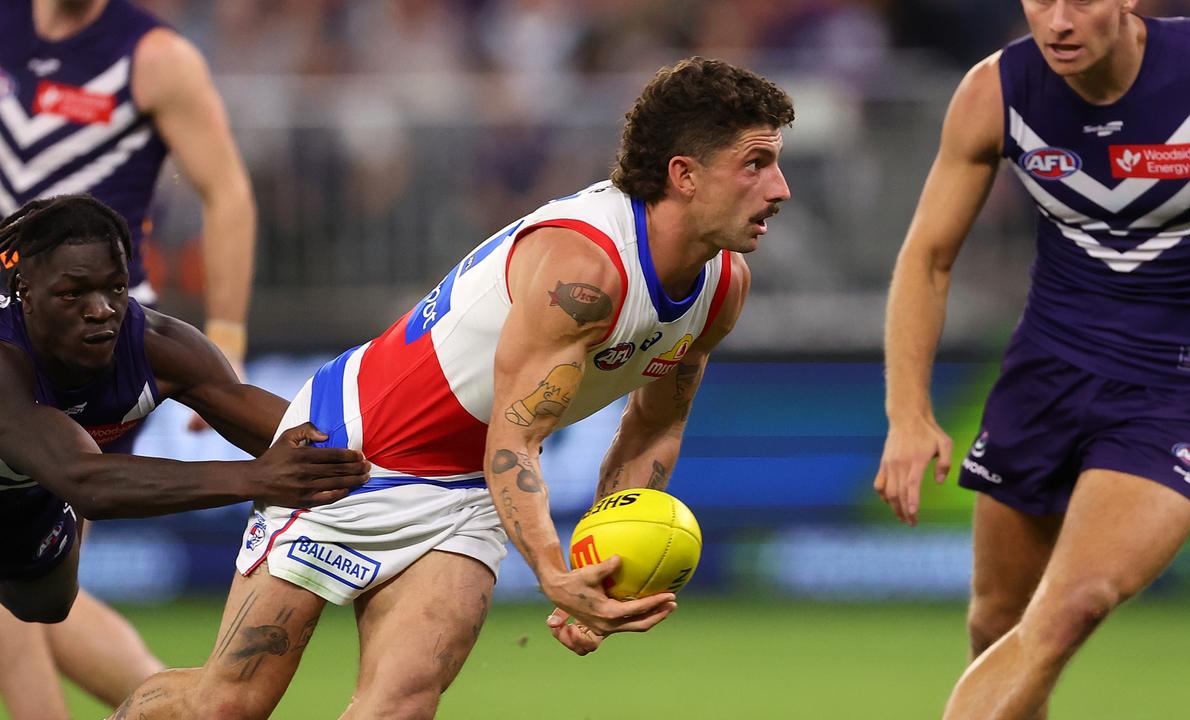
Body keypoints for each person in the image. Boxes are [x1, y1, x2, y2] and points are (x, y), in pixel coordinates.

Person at [111, 56, 793, 719]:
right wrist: (551, 570)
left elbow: (654, 426)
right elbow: (516, 434)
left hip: (470, 486)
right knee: (227, 706)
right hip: (353, 450)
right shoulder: (585, 272)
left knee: (402, 704)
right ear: (685, 175)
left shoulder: (721, 285)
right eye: (755, 164)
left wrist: (596, 568)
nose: (780, 188)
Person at [874, 2, 1190, 718]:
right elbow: (928, 258)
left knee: (1070, 607)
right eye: (1041, 0)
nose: (1057, 21)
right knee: (996, 623)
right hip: (1044, 374)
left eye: (1080, 0)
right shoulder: (995, 92)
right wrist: (907, 414)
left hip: (1177, 387)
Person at [0, 195, 367, 716]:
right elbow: (89, 484)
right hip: (61, 474)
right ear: (26, 294)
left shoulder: (156, 343)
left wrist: (374, 456)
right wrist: (258, 479)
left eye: (115, 288)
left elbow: (281, 429)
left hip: (27, 488)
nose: (101, 309)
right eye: (73, 293)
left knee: (47, 604)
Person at [0, 0, 260, 713]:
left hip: (89, 352)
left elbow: (227, 192)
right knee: (43, 581)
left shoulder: (153, 57)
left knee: (13, 556)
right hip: (14, 334)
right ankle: (193, 710)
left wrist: (227, 343)